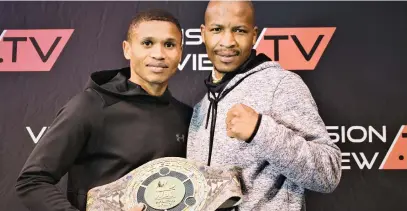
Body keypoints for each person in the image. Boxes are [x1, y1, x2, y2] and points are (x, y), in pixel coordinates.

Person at [15, 9, 192, 211]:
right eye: (147, 43)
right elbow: (32, 181)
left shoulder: (185, 116)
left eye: (169, 45)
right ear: (127, 49)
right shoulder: (90, 106)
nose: (159, 54)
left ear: (180, 52)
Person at [186, 1, 342, 210]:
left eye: (239, 30)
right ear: (203, 34)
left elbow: (328, 174)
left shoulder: (280, 84)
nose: (227, 41)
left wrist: (260, 131)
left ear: (254, 35)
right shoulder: (201, 107)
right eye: (217, 29)